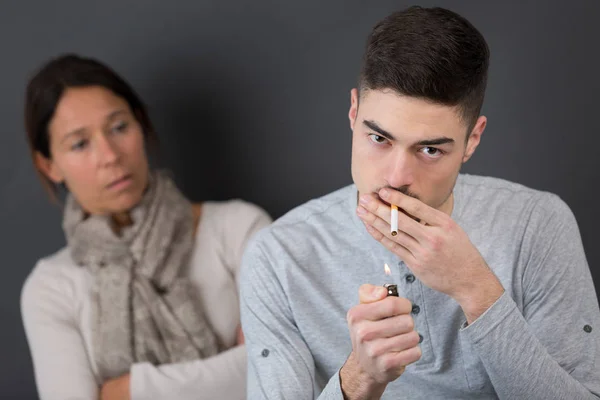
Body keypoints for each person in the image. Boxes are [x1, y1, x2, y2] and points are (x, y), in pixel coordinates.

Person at [239, 5, 600, 399]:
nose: (396, 178)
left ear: (472, 140)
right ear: (354, 113)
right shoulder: (276, 257)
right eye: (379, 138)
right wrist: (360, 376)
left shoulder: (538, 224)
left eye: (429, 150)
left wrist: (477, 289)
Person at [20, 53, 271, 400]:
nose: (110, 155)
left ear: (140, 124)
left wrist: (129, 391)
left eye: (119, 127)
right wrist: (236, 368)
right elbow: (255, 368)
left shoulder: (238, 229)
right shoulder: (51, 288)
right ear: (50, 165)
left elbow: (282, 366)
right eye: (80, 143)